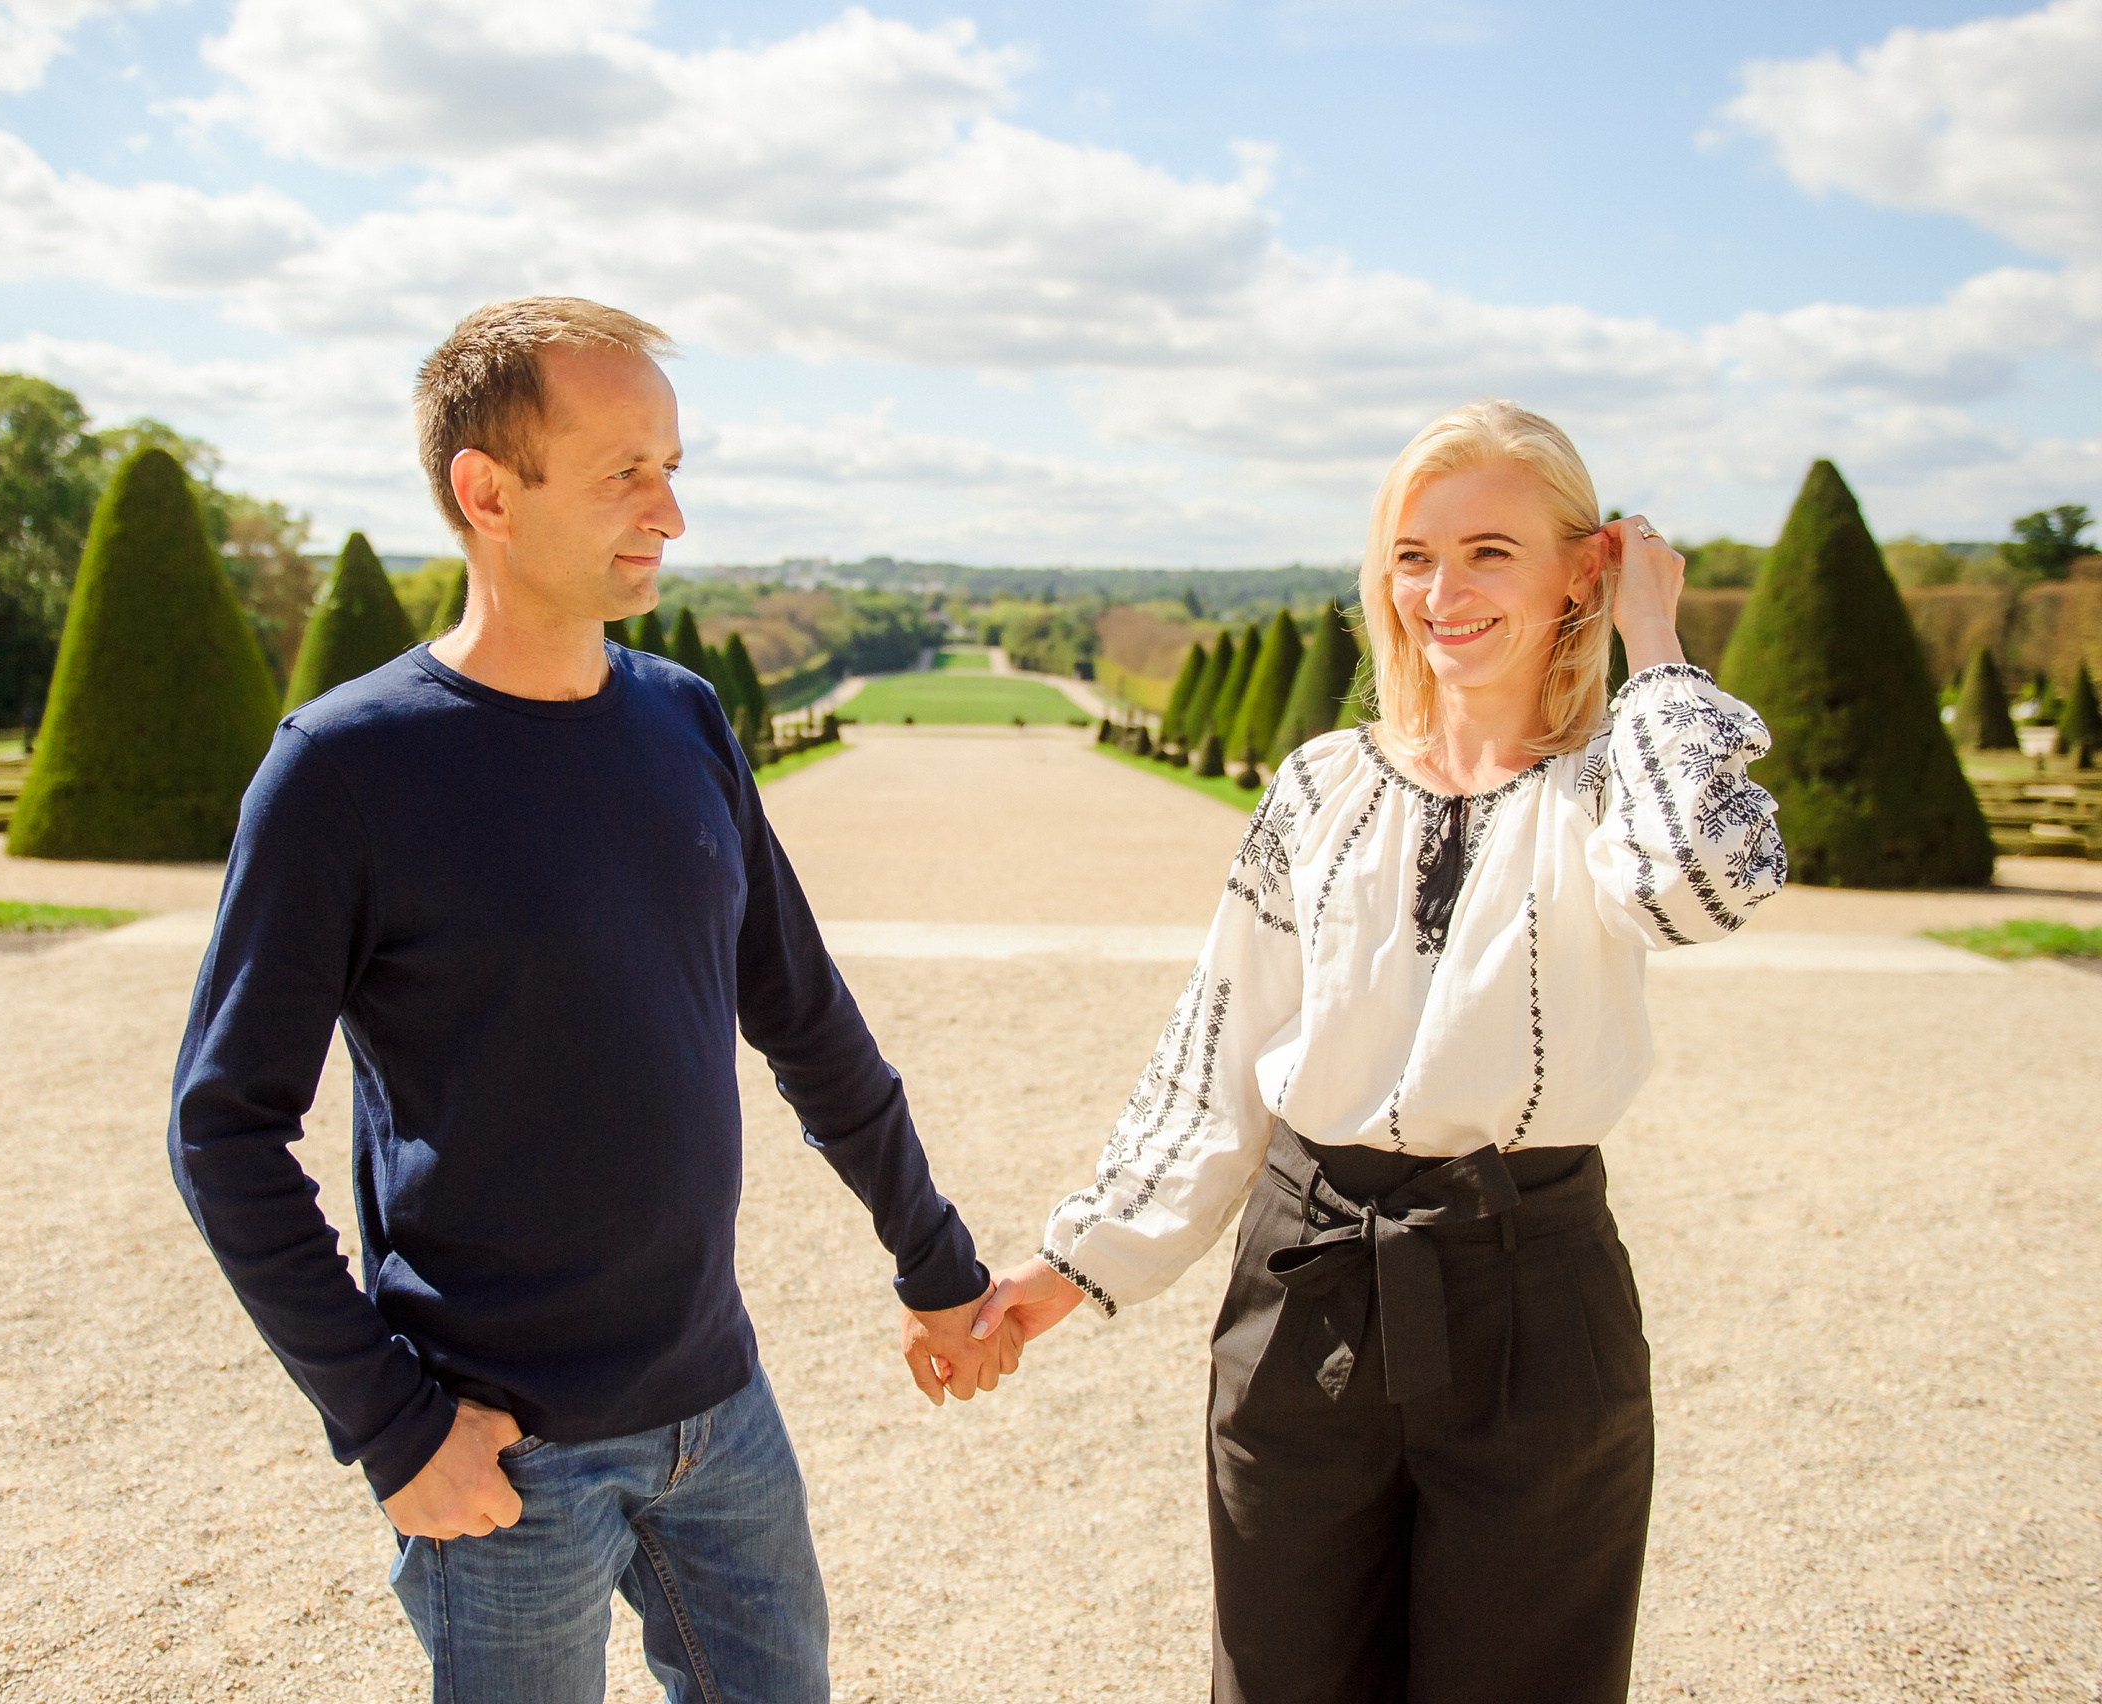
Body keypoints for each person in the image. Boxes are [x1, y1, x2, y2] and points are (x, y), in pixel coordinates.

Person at [168, 296, 1015, 1704]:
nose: (669, 512)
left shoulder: (684, 717)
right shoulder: (343, 771)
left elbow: (806, 1019)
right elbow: (223, 1131)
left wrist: (937, 1268)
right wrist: (390, 1424)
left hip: (722, 1412)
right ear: (487, 491)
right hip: (503, 1450)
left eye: (671, 468)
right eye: (625, 472)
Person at [972, 400, 1787, 1702]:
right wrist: (1075, 1265)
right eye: (1414, 555)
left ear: (1582, 569)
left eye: (1490, 552)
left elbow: (1699, 886)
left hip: (1536, 1304)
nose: (1442, 594)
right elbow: (1216, 1060)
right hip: (1304, 1287)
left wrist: (1654, 635)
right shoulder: (1317, 787)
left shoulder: (1608, 791)